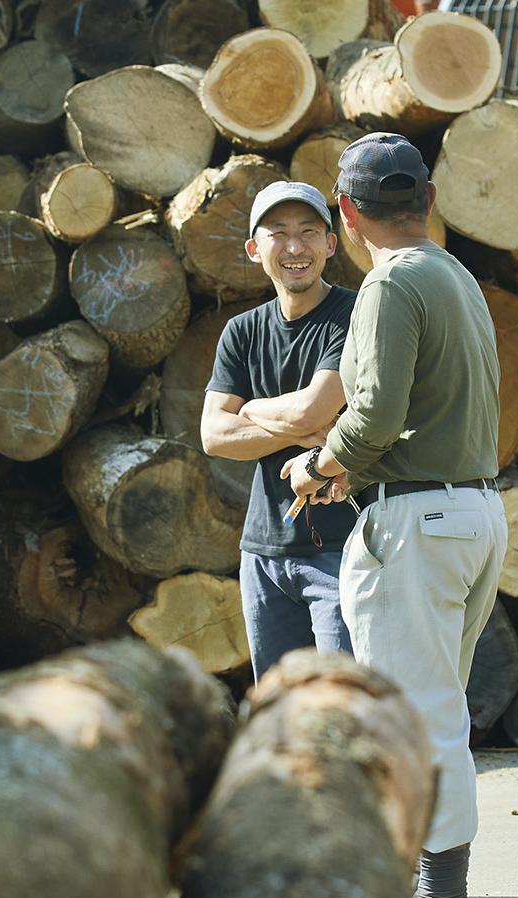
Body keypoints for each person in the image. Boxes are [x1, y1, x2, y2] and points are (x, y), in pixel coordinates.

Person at [281, 133, 507, 898]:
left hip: (419, 520)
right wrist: (368, 461)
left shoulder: (387, 285)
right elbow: (443, 404)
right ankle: (430, 883)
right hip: (478, 510)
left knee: (414, 714)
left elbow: (372, 413)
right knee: (440, 704)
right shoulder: (457, 278)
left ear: (344, 213)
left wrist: (320, 462)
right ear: (430, 202)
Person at [200, 180, 358, 683]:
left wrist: (251, 410)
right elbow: (212, 436)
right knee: (279, 711)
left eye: (309, 232)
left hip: (343, 548)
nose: (295, 247)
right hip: (262, 554)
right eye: (278, 233)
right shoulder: (242, 332)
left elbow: (314, 411)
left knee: (339, 704)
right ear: (254, 249)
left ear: (331, 244)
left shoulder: (352, 315)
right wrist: (301, 427)